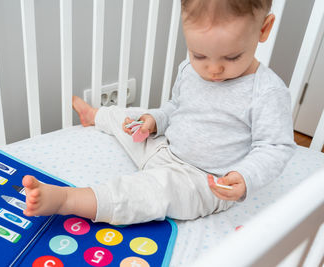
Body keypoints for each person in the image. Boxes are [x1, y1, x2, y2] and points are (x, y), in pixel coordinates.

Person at [22, 0, 296, 225]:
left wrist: (246, 176)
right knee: (134, 119)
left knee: (149, 192)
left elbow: (275, 147)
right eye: (199, 55)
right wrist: (155, 121)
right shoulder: (189, 70)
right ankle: (96, 116)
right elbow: (175, 106)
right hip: (165, 149)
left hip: (202, 182)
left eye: (231, 57)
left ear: (264, 28)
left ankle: (69, 200)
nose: (213, 70)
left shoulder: (266, 92)